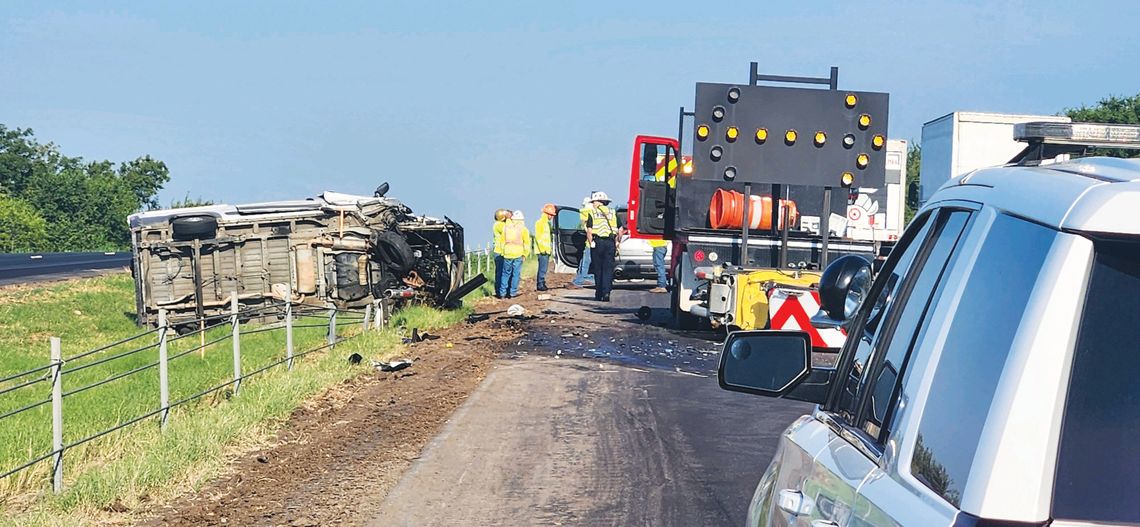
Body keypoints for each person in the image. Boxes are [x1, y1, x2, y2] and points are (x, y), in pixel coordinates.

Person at [585, 191, 623, 302]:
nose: (593, 204)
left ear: (599, 202)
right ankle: (606, 293)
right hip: (610, 243)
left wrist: (591, 242)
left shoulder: (592, 213)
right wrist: (617, 242)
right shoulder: (613, 212)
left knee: (598, 268)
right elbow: (620, 230)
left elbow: (589, 231)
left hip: (597, 243)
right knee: (608, 269)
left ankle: (599, 293)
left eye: (594, 202)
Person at [498, 210, 531, 298]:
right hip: (518, 254)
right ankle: (512, 293)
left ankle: (502, 293)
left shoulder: (506, 227)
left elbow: (502, 241)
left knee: (505, 274)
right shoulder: (524, 229)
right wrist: (525, 254)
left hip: (507, 254)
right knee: (516, 274)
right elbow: (527, 243)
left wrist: (502, 252)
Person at [571, 196, 595, 288]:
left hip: (589, 242)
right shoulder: (592, 213)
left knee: (584, 262)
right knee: (586, 262)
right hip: (592, 241)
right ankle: (581, 278)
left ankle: (580, 278)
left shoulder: (584, 213)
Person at [534, 203, 555, 291]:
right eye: (551, 215)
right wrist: (543, 249)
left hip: (545, 250)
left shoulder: (545, 223)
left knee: (544, 268)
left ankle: (542, 283)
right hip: (542, 250)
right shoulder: (541, 223)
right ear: (547, 214)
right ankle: (540, 284)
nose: (552, 217)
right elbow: (538, 237)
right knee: (542, 268)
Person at [491, 209, 510, 298]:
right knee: (501, 272)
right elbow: (509, 230)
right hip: (500, 251)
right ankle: (500, 291)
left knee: (501, 272)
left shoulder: (497, 224)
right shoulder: (500, 225)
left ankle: (500, 290)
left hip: (499, 251)